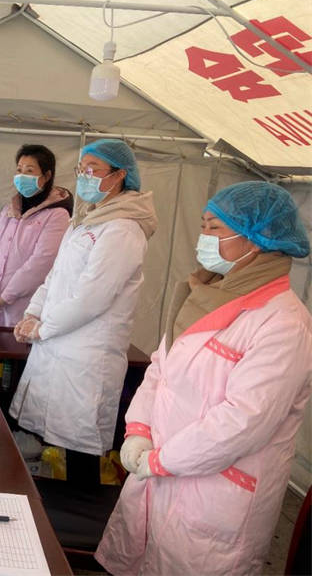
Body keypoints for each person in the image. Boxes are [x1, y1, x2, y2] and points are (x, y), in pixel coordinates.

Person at [96, 181, 312, 575]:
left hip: (214, 490)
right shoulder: (203, 294)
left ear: (255, 240)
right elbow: (161, 368)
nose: (204, 237)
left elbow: (244, 420)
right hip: (161, 465)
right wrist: (139, 429)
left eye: (215, 228)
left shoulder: (284, 323)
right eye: (203, 226)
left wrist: (163, 459)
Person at [9, 139, 158, 483]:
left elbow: (93, 296)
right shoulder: (85, 220)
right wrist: (32, 314)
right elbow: (55, 277)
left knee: (80, 451)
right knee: (52, 437)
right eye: (81, 169)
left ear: (119, 175)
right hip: (59, 345)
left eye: (93, 170)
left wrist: (43, 327)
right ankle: (50, 505)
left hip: (87, 354)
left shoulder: (123, 228)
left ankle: (82, 508)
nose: (84, 176)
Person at [0, 144, 73, 327]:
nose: (22, 176)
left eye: (29, 171)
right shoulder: (9, 209)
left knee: (18, 341)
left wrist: (6, 296)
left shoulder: (57, 215)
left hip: (25, 306)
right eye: (19, 170)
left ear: (46, 176)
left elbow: (41, 262)